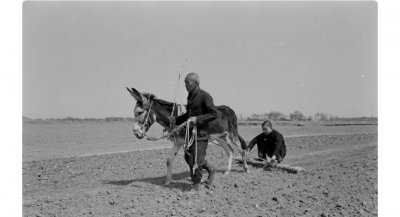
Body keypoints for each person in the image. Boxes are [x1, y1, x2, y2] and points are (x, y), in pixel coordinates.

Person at [169, 73, 218, 191]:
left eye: (187, 82)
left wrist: (197, 119)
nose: (185, 85)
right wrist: (176, 120)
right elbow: (188, 115)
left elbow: (213, 114)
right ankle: (211, 168)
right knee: (188, 158)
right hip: (190, 135)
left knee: (195, 161)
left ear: (196, 83)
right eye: (184, 82)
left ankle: (196, 185)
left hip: (201, 135)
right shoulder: (190, 97)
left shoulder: (205, 96)